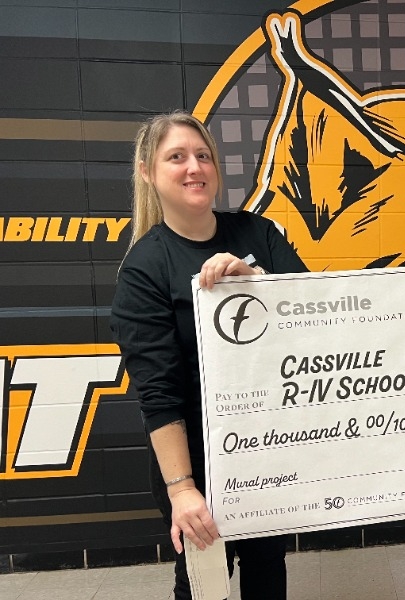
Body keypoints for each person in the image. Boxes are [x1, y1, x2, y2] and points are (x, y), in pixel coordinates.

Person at [110, 111, 307, 599]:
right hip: (194, 459)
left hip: (265, 445)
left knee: (267, 566)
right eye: (176, 157)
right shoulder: (144, 270)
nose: (194, 167)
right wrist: (182, 490)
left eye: (202, 156)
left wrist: (256, 284)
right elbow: (158, 395)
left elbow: (314, 314)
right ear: (148, 172)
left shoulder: (258, 236)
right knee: (203, 582)